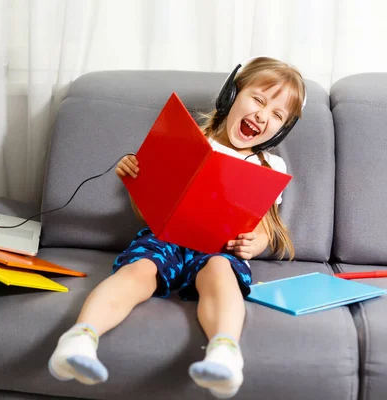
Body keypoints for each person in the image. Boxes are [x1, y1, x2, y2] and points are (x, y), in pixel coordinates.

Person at [48, 57, 307, 399]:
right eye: (258, 100)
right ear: (231, 95)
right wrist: (136, 182)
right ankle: (80, 338)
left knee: (220, 272)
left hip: (220, 249)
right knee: (139, 270)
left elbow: (263, 229)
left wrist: (254, 244)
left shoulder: (270, 166)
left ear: (282, 130)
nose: (262, 115)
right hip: (166, 237)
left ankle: (225, 354)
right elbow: (150, 214)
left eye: (277, 116)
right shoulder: (191, 140)